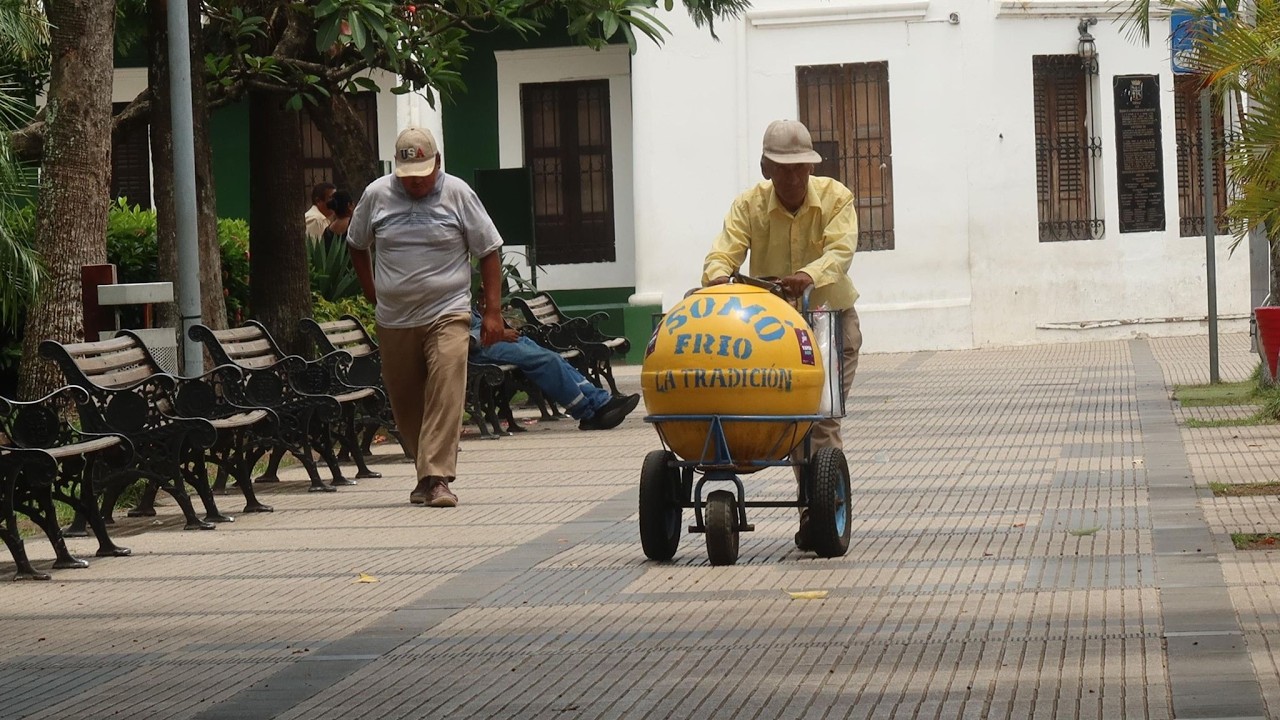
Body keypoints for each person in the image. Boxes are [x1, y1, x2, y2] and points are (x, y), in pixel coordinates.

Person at [701, 118, 863, 549]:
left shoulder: (836, 197)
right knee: (789, 419)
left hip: (828, 321)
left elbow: (841, 249)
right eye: (783, 168)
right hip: (772, 332)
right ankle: (815, 505)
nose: (793, 176)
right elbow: (725, 249)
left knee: (819, 418)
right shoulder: (749, 206)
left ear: (811, 167)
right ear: (765, 168)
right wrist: (718, 276)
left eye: (801, 168)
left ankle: (820, 513)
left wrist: (808, 276)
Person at [344, 126, 505, 508]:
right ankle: (425, 474)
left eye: (423, 177)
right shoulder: (377, 195)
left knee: (447, 383)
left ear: (438, 164)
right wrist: (371, 289)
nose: (415, 185)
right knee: (407, 403)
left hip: (447, 310)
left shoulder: (458, 193)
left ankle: (436, 478)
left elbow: (489, 250)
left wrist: (494, 310)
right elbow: (356, 243)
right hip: (395, 318)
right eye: (408, 178)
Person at [469, 307, 640, 430]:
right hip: (482, 346)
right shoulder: (445, 297)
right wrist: (496, 334)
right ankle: (589, 414)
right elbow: (460, 337)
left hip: (493, 338)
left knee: (554, 358)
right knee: (547, 361)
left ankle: (600, 402)